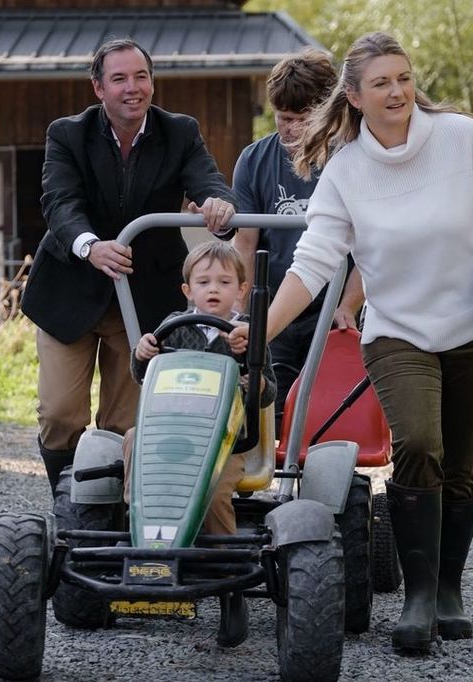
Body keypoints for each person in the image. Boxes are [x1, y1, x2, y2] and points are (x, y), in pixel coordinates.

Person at [231, 32, 473, 654]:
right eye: (381, 82)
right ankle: (419, 598)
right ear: (354, 95)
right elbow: (314, 263)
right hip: (397, 331)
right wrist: (255, 331)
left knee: (459, 461)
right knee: (419, 444)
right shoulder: (346, 171)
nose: (397, 90)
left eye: (403, 77)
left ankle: (447, 588)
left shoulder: (461, 138)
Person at [21, 38, 238, 496]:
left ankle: (113, 514)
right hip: (71, 291)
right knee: (61, 414)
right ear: (98, 88)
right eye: (119, 78)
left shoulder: (179, 131)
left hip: (142, 299)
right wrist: (91, 247)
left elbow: (207, 179)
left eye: (141, 77)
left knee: (124, 421)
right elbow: (59, 203)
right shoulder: (67, 134)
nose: (132, 88)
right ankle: (68, 502)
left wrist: (218, 204)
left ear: (152, 83)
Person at [122, 240, 275, 648]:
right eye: (203, 281)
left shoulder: (251, 333)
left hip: (228, 443)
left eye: (224, 281)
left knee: (218, 485)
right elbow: (144, 378)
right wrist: (142, 355)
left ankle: (230, 584)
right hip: (169, 433)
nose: (214, 289)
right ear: (187, 289)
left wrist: (251, 371)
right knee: (134, 438)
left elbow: (267, 392)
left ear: (242, 290)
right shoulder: (175, 325)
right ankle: (144, 533)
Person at [232, 48, 365, 433]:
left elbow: (370, 245)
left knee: (332, 412)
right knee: (272, 410)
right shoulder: (255, 160)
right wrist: (244, 311)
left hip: (337, 306)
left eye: (302, 120)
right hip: (279, 307)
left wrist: (349, 304)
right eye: (283, 119)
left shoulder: (352, 158)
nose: (290, 130)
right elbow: (245, 242)